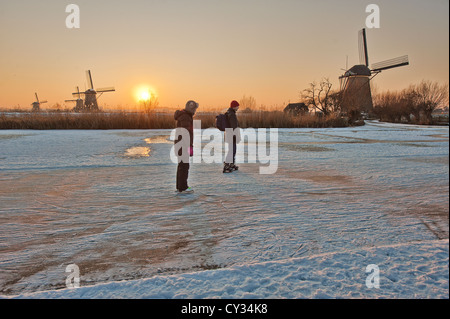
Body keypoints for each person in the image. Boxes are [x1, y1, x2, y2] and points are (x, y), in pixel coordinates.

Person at [174, 100, 199, 193]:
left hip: (181, 144)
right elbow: (186, 133)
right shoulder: (185, 117)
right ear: (190, 108)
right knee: (184, 166)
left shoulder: (185, 116)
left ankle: (180, 186)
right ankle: (183, 187)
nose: (195, 111)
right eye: (195, 109)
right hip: (183, 145)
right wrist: (189, 147)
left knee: (182, 165)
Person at [223, 100, 240, 173]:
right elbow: (234, 127)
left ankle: (231, 164)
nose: (238, 108)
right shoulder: (232, 114)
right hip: (232, 135)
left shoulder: (229, 113)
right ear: (234, 107)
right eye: (237, 106)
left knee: (232, 149)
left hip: (229, 134)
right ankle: (227, 164)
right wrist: (236, 136)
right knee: (232, 150)